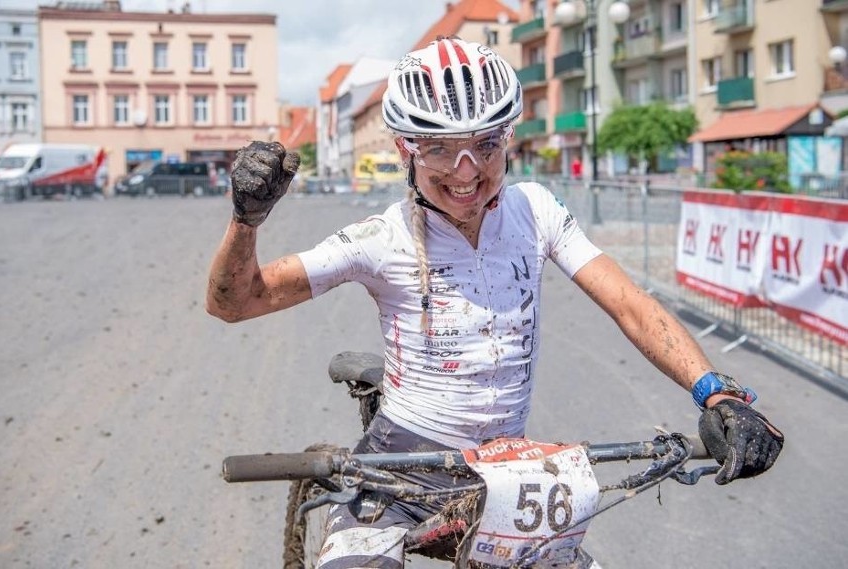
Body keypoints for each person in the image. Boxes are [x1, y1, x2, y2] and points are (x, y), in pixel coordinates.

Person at [206, 37, 783, 569]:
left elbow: (631, 304)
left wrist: (718, 392)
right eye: (440, 149)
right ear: (406, 148)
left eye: (485, 144)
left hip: (506, 472)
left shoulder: (538, 212)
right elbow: (237, 301)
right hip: (397, 468)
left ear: (508, 136)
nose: (467, 171)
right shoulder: (381, 239)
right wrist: (245, 220)